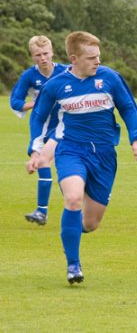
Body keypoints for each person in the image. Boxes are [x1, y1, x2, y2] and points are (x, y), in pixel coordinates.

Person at [28, 31, 137, 284]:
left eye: (98, 57)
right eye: (91, 58)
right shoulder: (57, 85)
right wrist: (36, 148)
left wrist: (135, 139)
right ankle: (73, 265)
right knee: (72, 199)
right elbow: (38, 116)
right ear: (74, 58)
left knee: (90, 224)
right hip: (71, 150)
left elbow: (128, 108)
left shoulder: (110, 78)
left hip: (104, 155)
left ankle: (68, 233)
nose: (97, 62)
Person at [10, 35, 67, 226]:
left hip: (64, 126)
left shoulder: (65, 71)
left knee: (48, 163)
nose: (42, 58)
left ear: (52, 53)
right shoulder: (29, 76)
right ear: (32, 56)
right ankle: (44, 212)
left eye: (45, 54)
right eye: (37, 55)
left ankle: (45, 211)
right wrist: (35, 103)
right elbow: (15, 102)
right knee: (42, 162)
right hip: (40, 126)